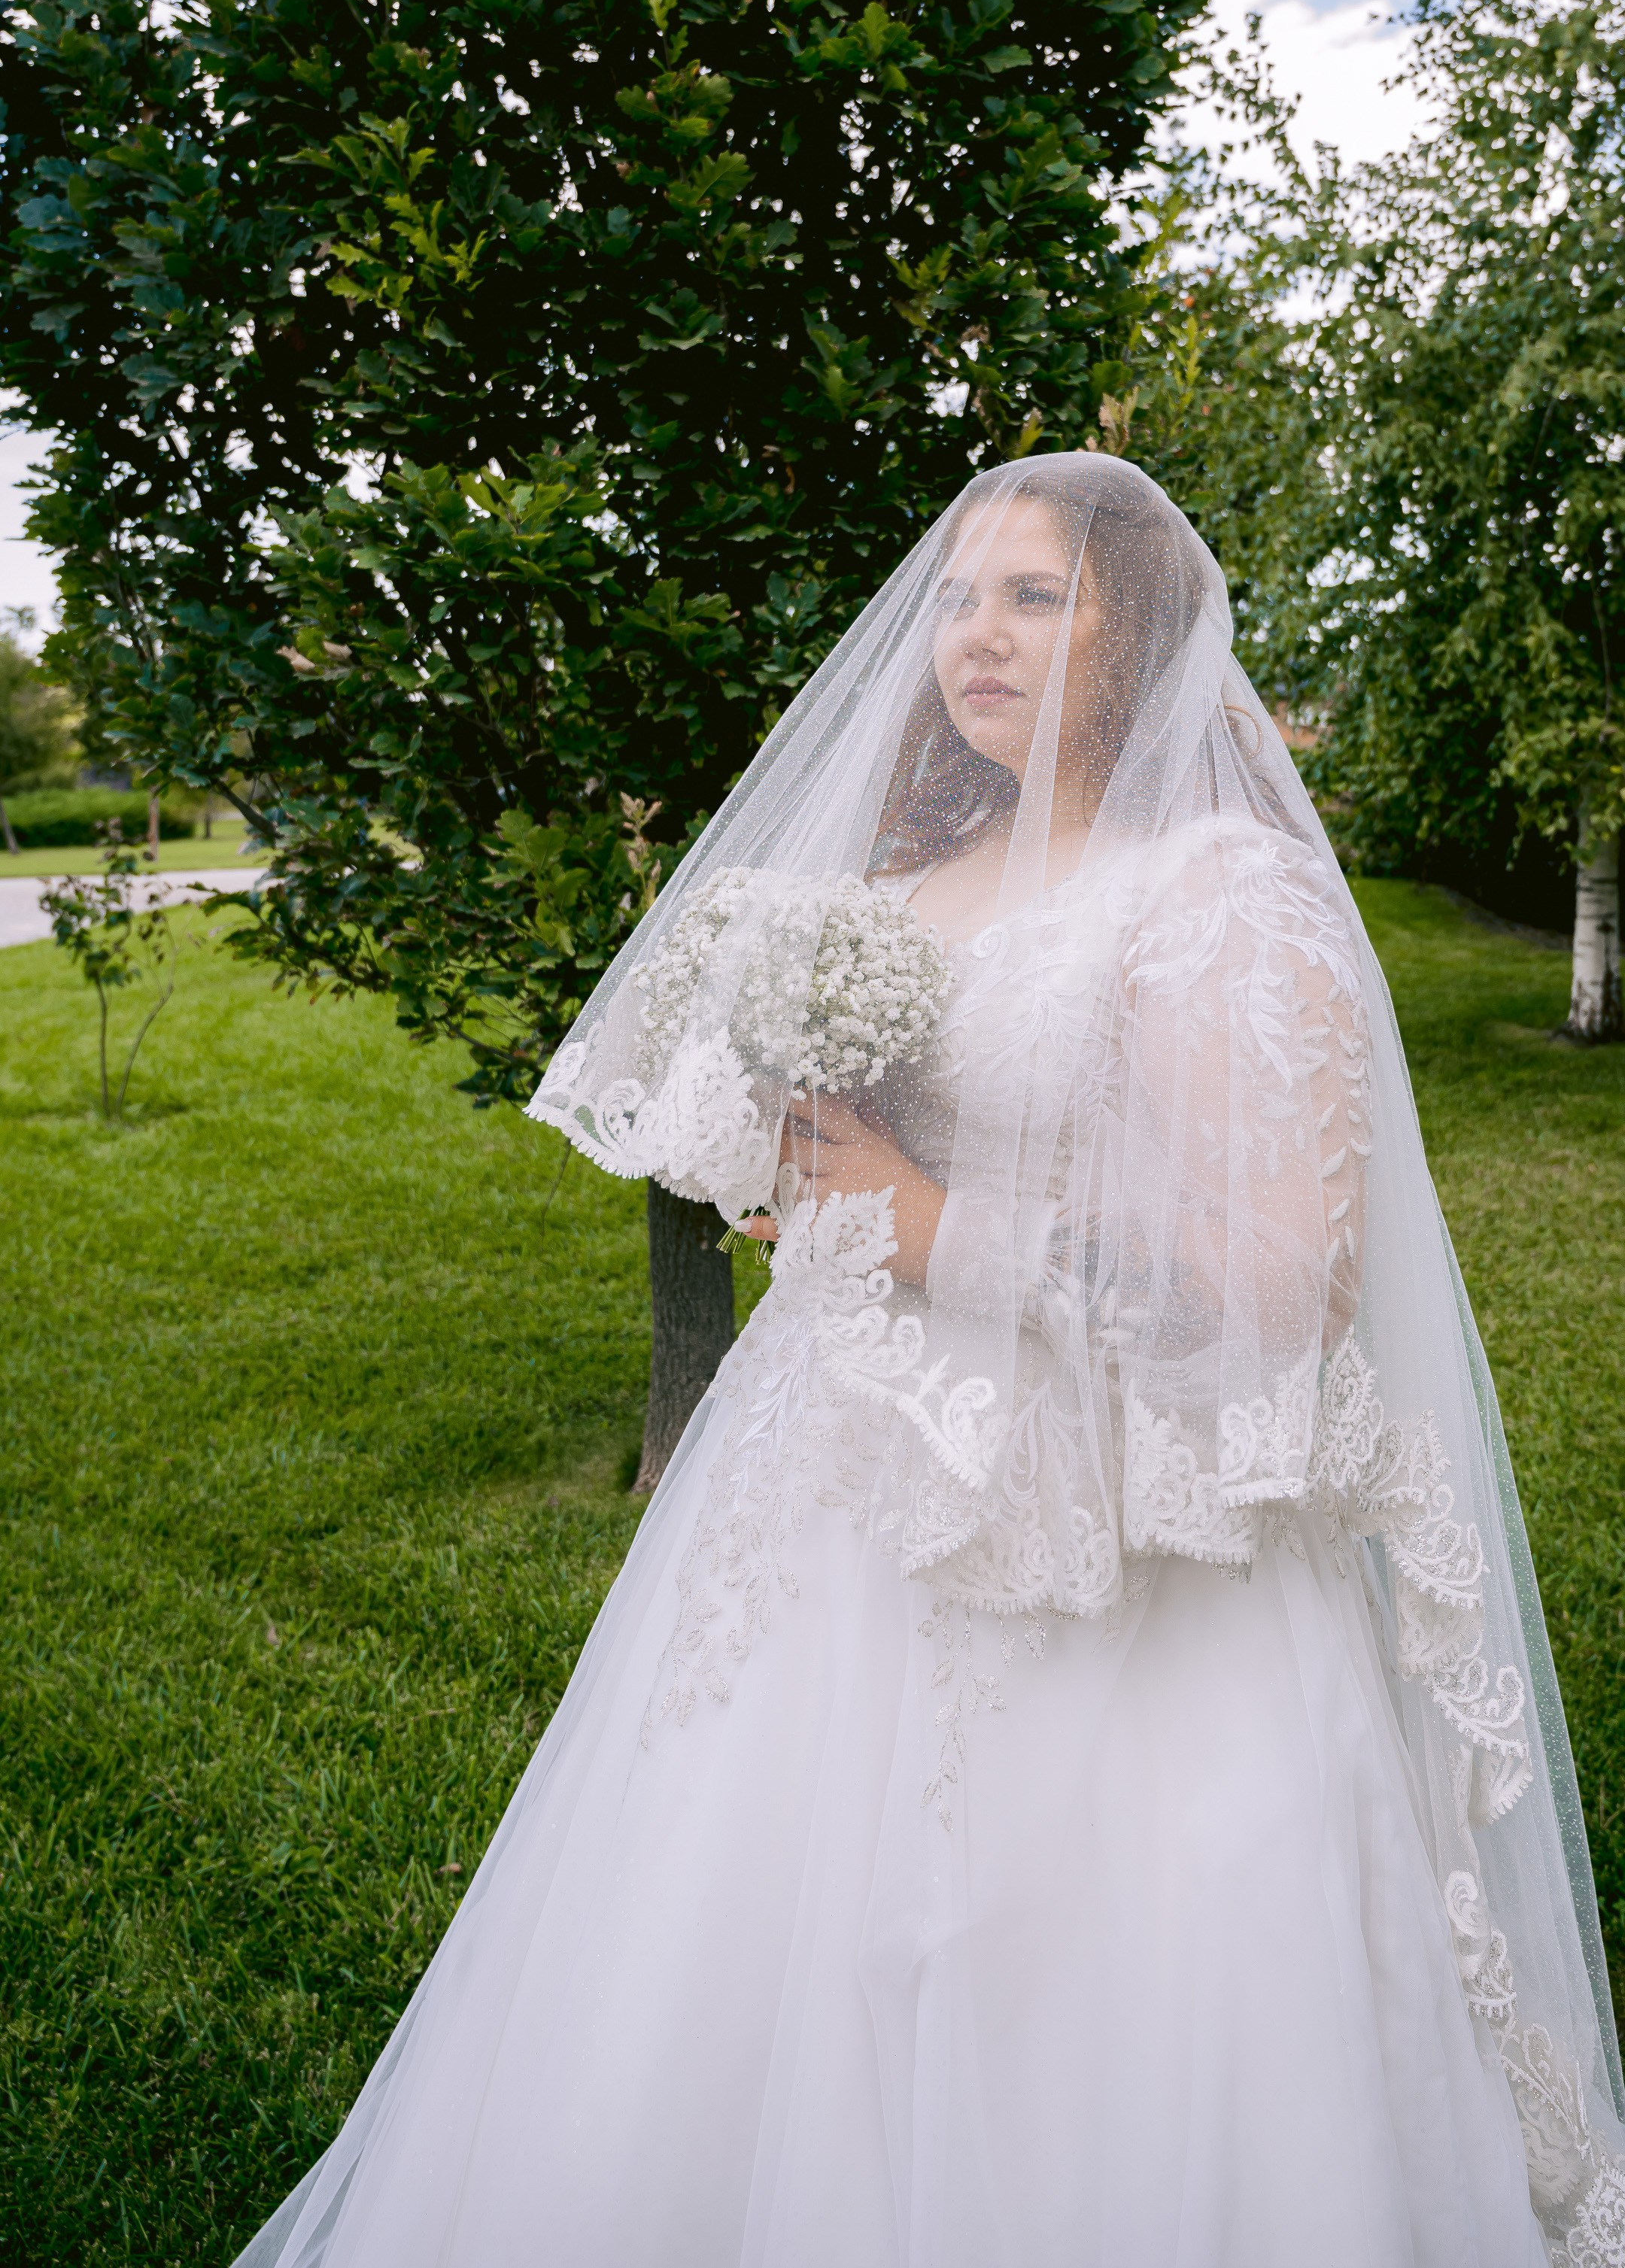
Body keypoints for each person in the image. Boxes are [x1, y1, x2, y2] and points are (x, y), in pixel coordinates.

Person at [235, 454, 1622, 2268]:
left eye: (1035, 598)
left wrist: (928, 1220)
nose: (976, 633)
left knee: (1088, 1980)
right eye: (961, 593)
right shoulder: (920, 875)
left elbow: (1278, 1291)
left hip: (1123, 1558)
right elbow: (837, 1165)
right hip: (827, 1517)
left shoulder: (1220, 894)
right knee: (740, 1951)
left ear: (1136, 633)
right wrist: (809, 1169)